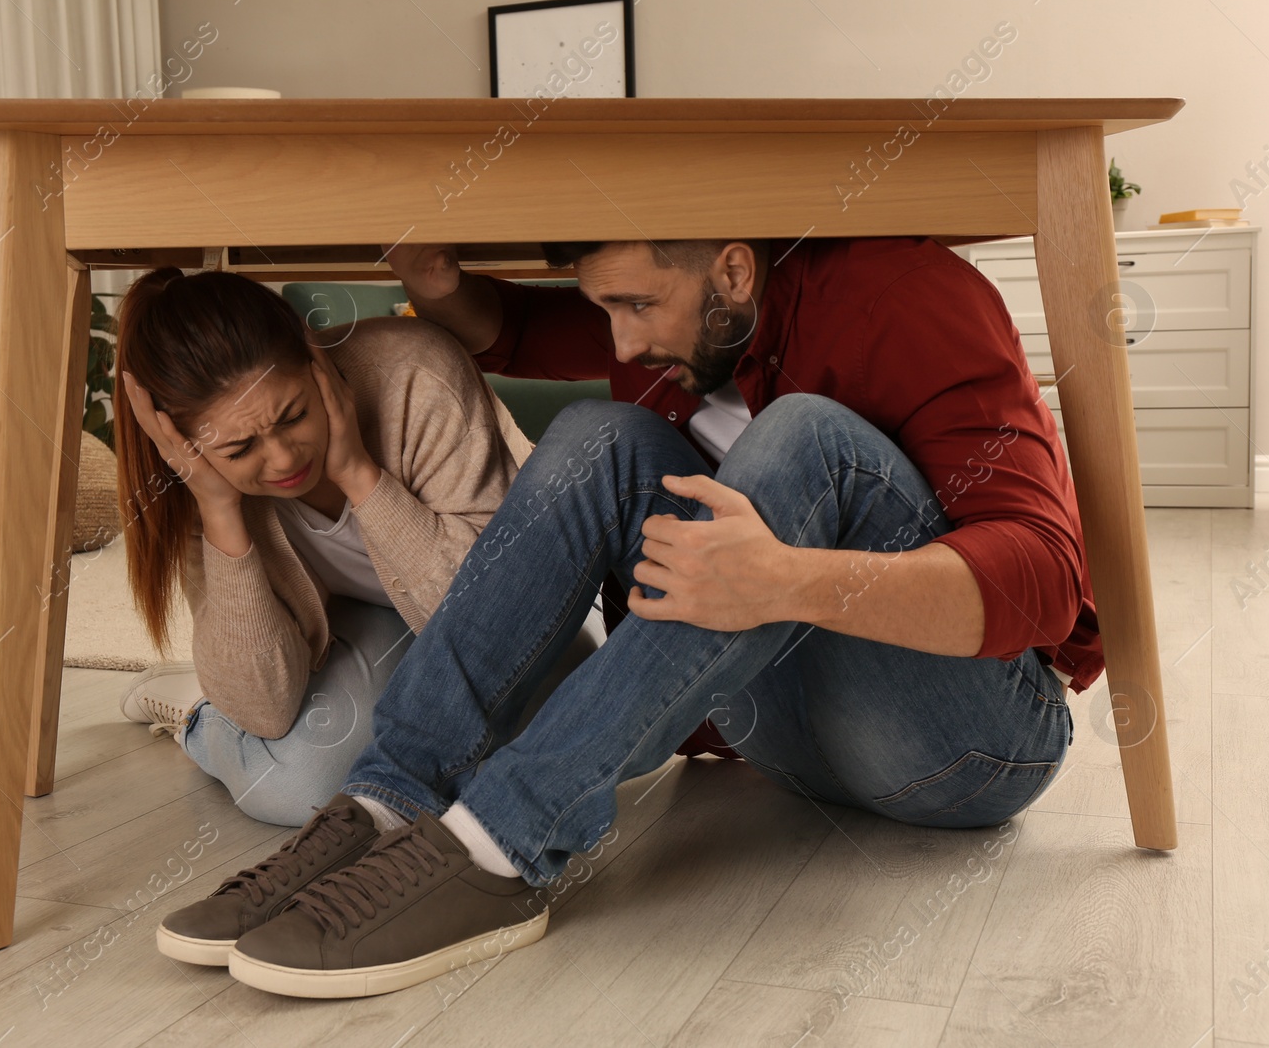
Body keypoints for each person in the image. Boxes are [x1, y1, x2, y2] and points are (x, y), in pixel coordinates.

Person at [159, 235, 1098, 999]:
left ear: (733, 269)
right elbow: (520, 326)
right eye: (602, 307)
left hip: (969, 748)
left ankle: (499, 845)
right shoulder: (685, 314)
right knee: (593, 436)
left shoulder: (904, 293)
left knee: (803, 436)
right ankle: (386, 796)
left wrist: (791, 580)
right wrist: (442, 284)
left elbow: (1046, 579)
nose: (616, 344)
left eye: (635, 307)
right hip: (773, 734)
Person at [110, 267, 604, 865]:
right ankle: (200, 715)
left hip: (486, 617)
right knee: (297, 787)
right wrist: (219, 509)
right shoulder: (196, 478)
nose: (284, 457)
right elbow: (265, 708)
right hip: (351, 636)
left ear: (313, 359)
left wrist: (358, 476)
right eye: (240, 450)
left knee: (572, 728)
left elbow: (495, 631)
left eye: (293, 415)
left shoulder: (413, 374)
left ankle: (216, 702)